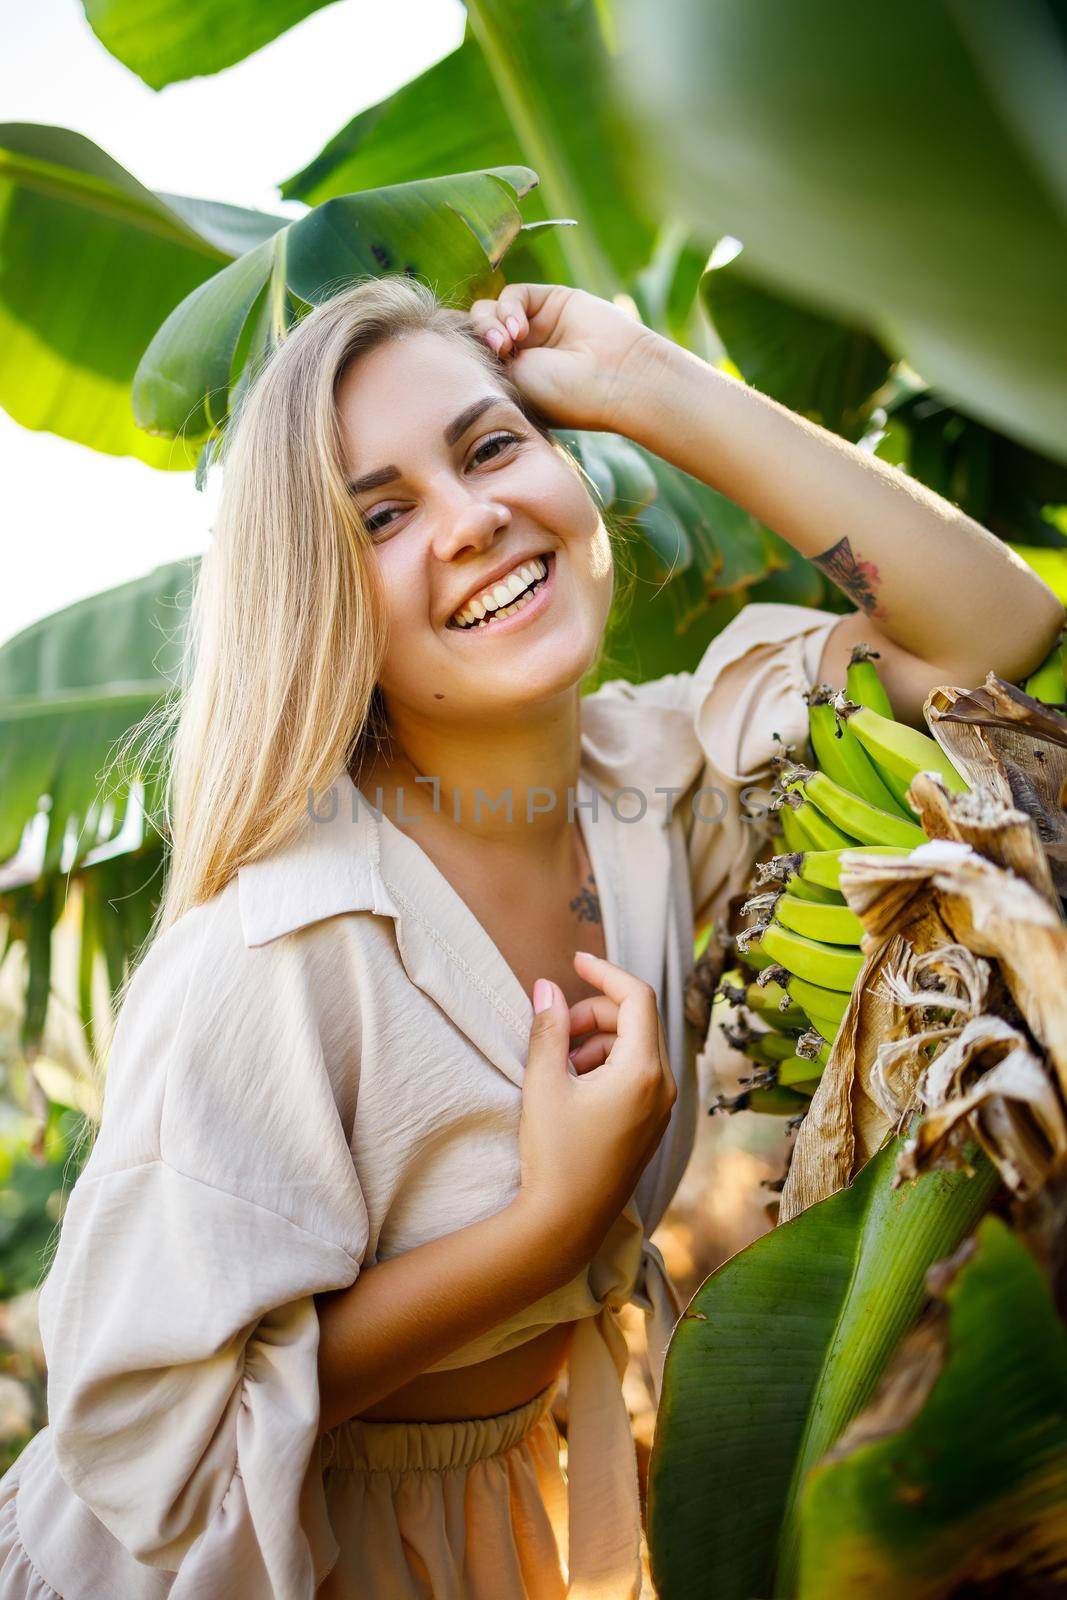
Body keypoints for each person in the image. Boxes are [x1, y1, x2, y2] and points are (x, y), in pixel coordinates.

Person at [0, 276, 1059, 1600]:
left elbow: (994, 637)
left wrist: (645, 380)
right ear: (321, 598)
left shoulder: (662, 779)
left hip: (498, 1530)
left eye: (492, 445)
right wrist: (545, 1224)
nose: (473, 519)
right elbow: (154, 1444)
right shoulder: (286, 943)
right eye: (382, 515)